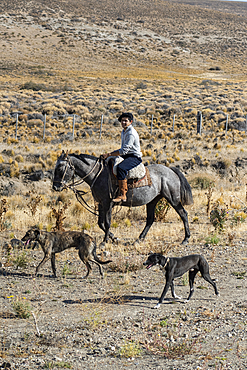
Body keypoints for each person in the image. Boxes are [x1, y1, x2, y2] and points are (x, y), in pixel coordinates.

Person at [102, 112, 142, 202]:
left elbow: (123, 150)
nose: (123, 122)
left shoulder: (131, 133)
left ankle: (123, 194)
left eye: (126, 121)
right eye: (122, 121)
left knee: (121, 168)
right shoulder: (124, 131)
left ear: (130, 122)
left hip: (134, 157)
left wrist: (109, 154)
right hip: (126, 155)